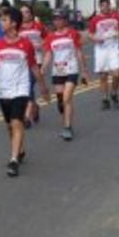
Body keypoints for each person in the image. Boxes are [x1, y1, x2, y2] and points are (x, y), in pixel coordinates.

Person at [0, 6, 48, 176]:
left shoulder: (25, 44)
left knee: (16, 122)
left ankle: (13, 160)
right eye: (1, 19)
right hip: (4, 90)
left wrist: (42, 87)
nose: (1, 22)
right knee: (9, 125)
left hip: (21, 88)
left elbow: (34, 67)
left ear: (14, 24)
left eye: (4, 20)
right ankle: (19, 149)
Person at [45, 8, 89, 140]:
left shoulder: (73, 33)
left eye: (59, 19)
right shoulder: (50, 36)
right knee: (60, 101)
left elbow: (79, 52)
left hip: (71, 69)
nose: (57, 21)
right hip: (57, 71)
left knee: (66, 98)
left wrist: (84, 71)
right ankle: (65, 121)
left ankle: (67, 127)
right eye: (55, 19)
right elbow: (48, 53)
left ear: (65, 20)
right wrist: (43, 68)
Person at [88, 0, 119, 109]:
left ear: (110, 5)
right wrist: (95, 39)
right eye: (103, 6)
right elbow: (90, 34)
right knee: (103, 76)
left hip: (113, 48)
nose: (105, 8)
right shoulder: (95, 19)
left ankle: (114, 92)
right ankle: (105, 98)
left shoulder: (116, 17)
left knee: (117, 74)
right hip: (101, 50)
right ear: (100, 7)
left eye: (107, 5)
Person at [17, 5, 46, 126]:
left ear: (31, 14)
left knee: (28, 85)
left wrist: (40, 46)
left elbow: (48, 40)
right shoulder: (17, 28)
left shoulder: (38, 26)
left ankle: (27, 116)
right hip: (21, 62)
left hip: (36, 61)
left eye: (27, 12)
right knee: (26, 88)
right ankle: (35, 107)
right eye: (22, 13)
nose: (24, 15)